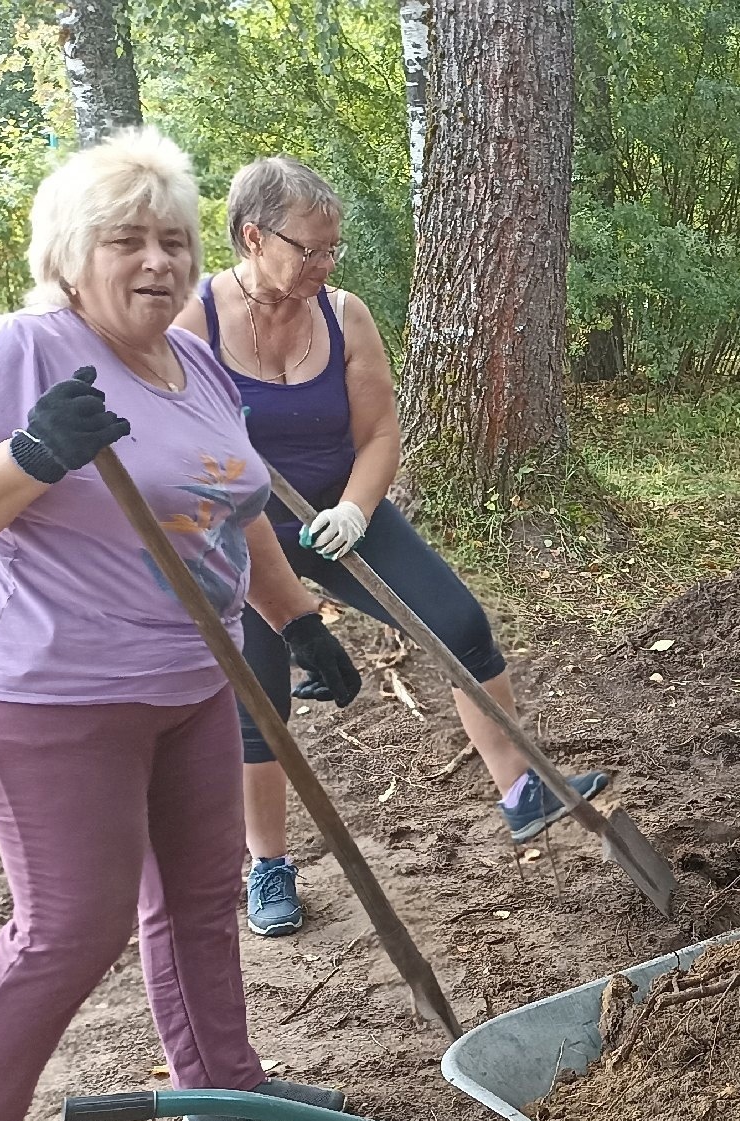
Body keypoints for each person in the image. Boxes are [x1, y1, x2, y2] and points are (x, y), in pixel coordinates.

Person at [0, 130, 358, 1121]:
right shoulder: (24, 350)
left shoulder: (187, 360)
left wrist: (297, 620)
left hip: (190, 675)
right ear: (70, 251)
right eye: (128, 239)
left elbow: (228, 509)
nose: (158, 261)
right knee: (72, 920)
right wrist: (29, 458)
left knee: (197, 892)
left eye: (175, 241)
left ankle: (219, 1082)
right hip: (46, 691)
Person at [174, 155, 605, 940]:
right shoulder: (193, 322)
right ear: (251, 236)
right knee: (259, 699)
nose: (326, 263)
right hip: (242, 535)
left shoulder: (345, 314)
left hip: (340, 512)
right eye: (310, 249)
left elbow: (378, 432)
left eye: (332, 248)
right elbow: (171, 447)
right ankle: (267, 862)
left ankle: (520, 791)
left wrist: (353, 509)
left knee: (459, 624)